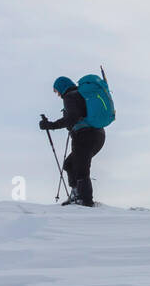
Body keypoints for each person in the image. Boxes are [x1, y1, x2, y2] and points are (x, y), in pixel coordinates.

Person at [39, 76, 105, 206]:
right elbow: (74, 117)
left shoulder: (70, 97)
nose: (57, 94)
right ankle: (77, 194)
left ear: (62, 87)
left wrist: (50, 125)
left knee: (81, 169)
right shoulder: (80, 95)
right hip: (98, 135)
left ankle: (85, 202)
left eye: (56, 91)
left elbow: (72, 118)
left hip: (85, 135)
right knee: (69, 164)